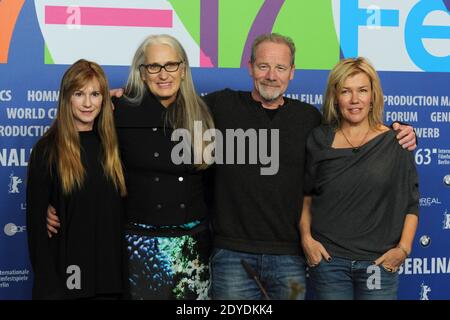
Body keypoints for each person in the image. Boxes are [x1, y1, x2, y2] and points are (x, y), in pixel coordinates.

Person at [203, 34, 417, 300]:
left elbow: (406, 195)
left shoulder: (309, 120)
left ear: (292, 72)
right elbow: (178, 110)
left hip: (289, 258)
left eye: (280, 67)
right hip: (233, 254)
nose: (272, 75)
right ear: (250, 67)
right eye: (263, 66)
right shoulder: (221, 105)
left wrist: (403, 130)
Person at [46, 35, 214, 300]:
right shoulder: (118, 110)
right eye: (153, 67)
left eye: (171, 65)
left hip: (192, 244)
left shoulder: (205, 112)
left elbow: (222, 180)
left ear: (183, 70)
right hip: (138, 243)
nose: (163, 74)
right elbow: (77, 151)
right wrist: (52, 200)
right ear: (142, 73)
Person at [299, 57, 419, 300]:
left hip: (378, 264)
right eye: (346, 91)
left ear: (373, 95)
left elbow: (411, 203)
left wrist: (403, 250)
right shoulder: (319, 139)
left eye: (362, 91)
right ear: (335, 96)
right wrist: (306, 239)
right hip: (329, 263)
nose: (355, 100)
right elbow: (307, 196)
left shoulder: (396, 141)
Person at [26, 59, 127, 299]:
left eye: (95, 94)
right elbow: (36, 231)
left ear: (104, 99)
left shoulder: (114, 147)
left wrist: (120, 98)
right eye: (79, 93)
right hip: (67, 284)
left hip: (111, 282)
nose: (88, 103)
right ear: (66, 98)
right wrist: (50, 288)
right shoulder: (48, 149)